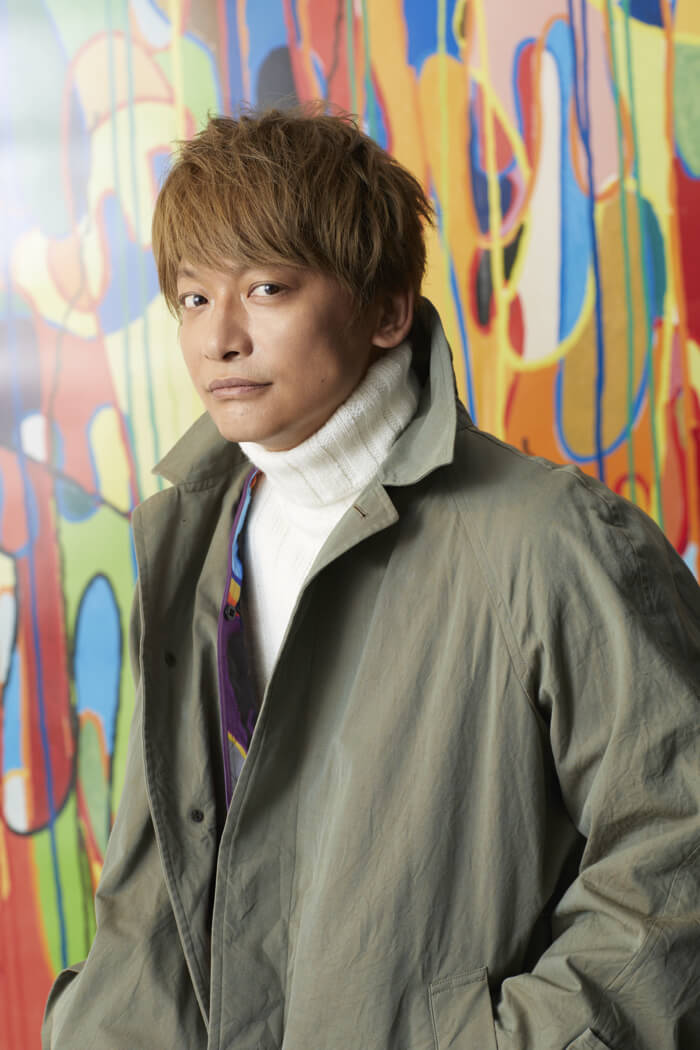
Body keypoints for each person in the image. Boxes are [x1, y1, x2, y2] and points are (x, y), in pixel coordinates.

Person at [43, 107, 700, 1050]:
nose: (219, 337)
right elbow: (157, 900)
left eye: (266, 288)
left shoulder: (550, 537)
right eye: (192, 298)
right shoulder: (188, 540)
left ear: (387, 310)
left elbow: (678, 852)